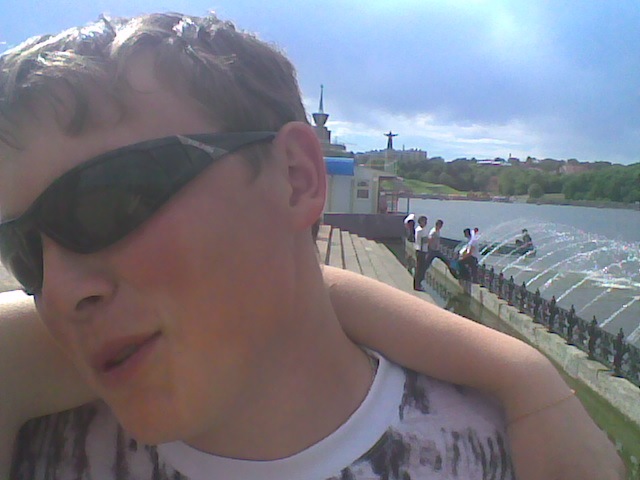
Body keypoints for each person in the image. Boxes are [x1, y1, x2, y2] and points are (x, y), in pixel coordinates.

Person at [0, 12, 624, 480]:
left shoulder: (496, 455)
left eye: (107, 203)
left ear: (296, 178)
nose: (59, 293)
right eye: (23, 252)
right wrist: (523, 374)